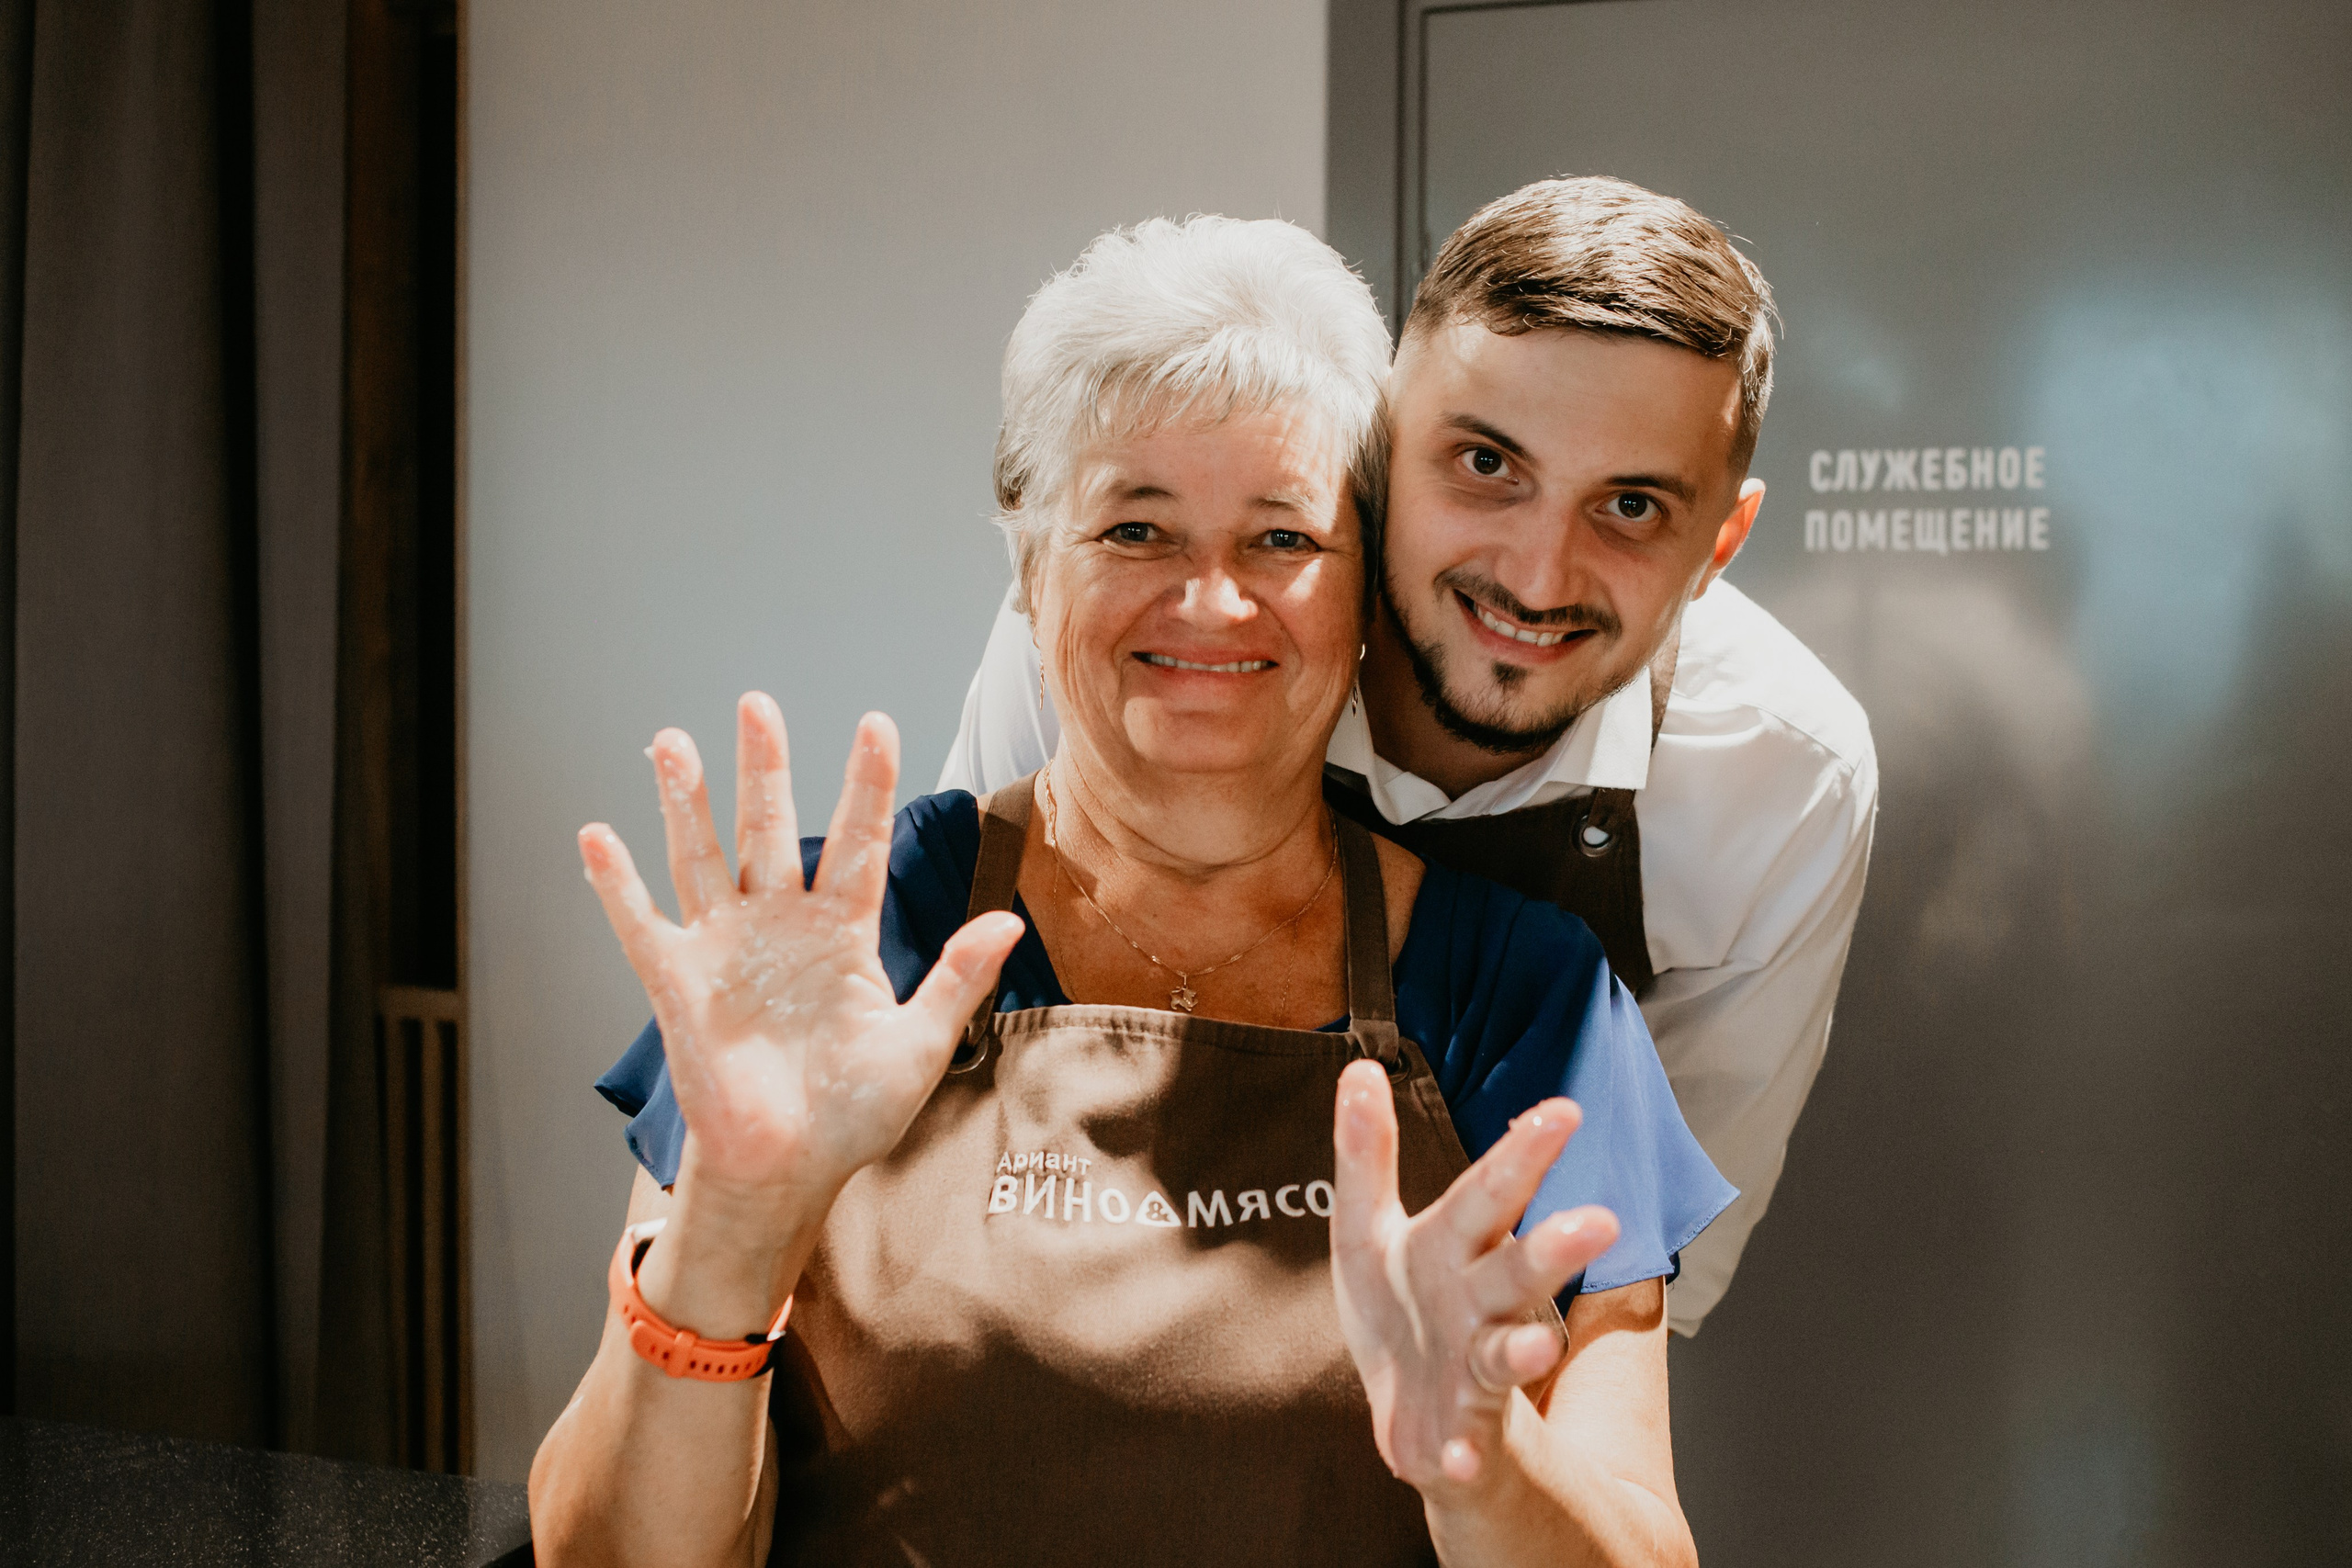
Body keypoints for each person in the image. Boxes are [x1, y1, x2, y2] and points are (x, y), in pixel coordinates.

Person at [529, 217, 1733, 1566]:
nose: (1211, 601)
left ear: (1366, 592)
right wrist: (727, 1235)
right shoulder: (837, 940)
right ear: (1033, 568)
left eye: (1281, 537)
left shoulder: (1526, 992)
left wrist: (1485, 1461)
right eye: (1135, 526)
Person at [944, 176, 1880, 1335]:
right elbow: (968, 1019)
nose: (1535, 579)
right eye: (1485, 464)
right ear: (1381, 444)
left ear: (1720, 544)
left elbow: (1637, 1274)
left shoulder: (1780, 775)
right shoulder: (1153, 634)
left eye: (1631, 506)